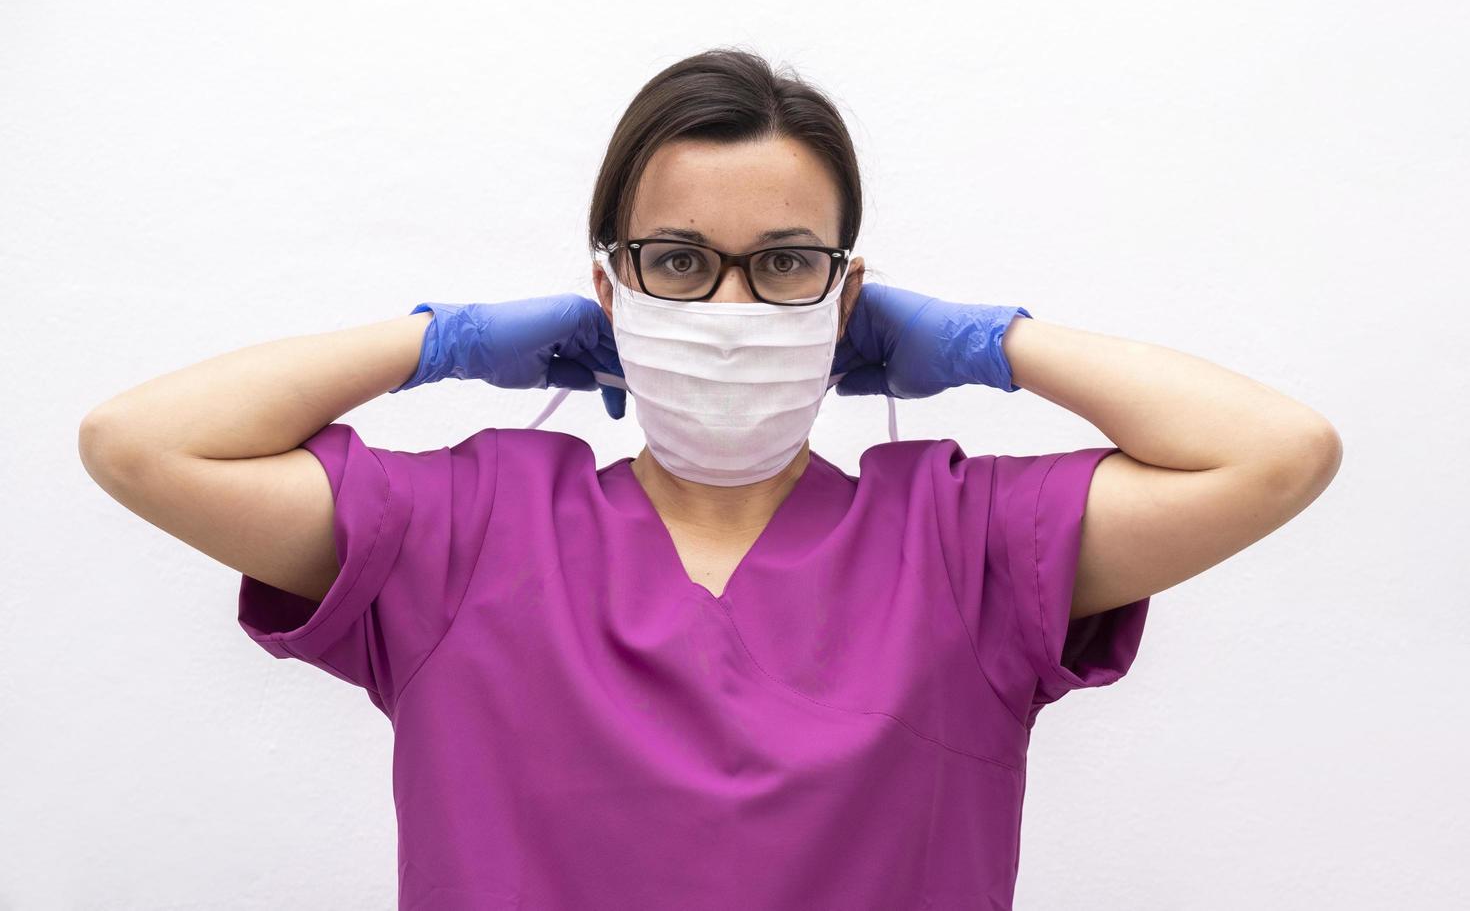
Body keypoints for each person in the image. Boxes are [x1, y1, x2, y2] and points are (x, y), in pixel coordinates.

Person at [78, 48, 1343, 909]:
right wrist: (441, 339)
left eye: (785, 264)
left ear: (849, 296)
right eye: (678, 261)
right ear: (608, 286)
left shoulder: (961, 542)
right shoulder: (462, 528)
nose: (732, 304)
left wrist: (992, 345)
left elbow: (1279, 451)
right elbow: (139, 443)